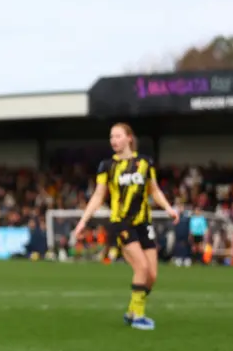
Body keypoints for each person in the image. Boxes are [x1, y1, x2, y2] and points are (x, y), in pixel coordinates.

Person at [72, 123, 179, 330]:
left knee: (152, 276)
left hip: (143, 223)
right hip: (121, 223)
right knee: (141, 267)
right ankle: (138, 315)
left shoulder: (145, 162)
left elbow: (154, 190)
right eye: (111, 137)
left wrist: (168, 208)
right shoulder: (107, 166)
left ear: (129, 138)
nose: (113, 140)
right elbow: (99, 195)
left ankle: (131, 312)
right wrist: (83, 221)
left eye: (118, 136)